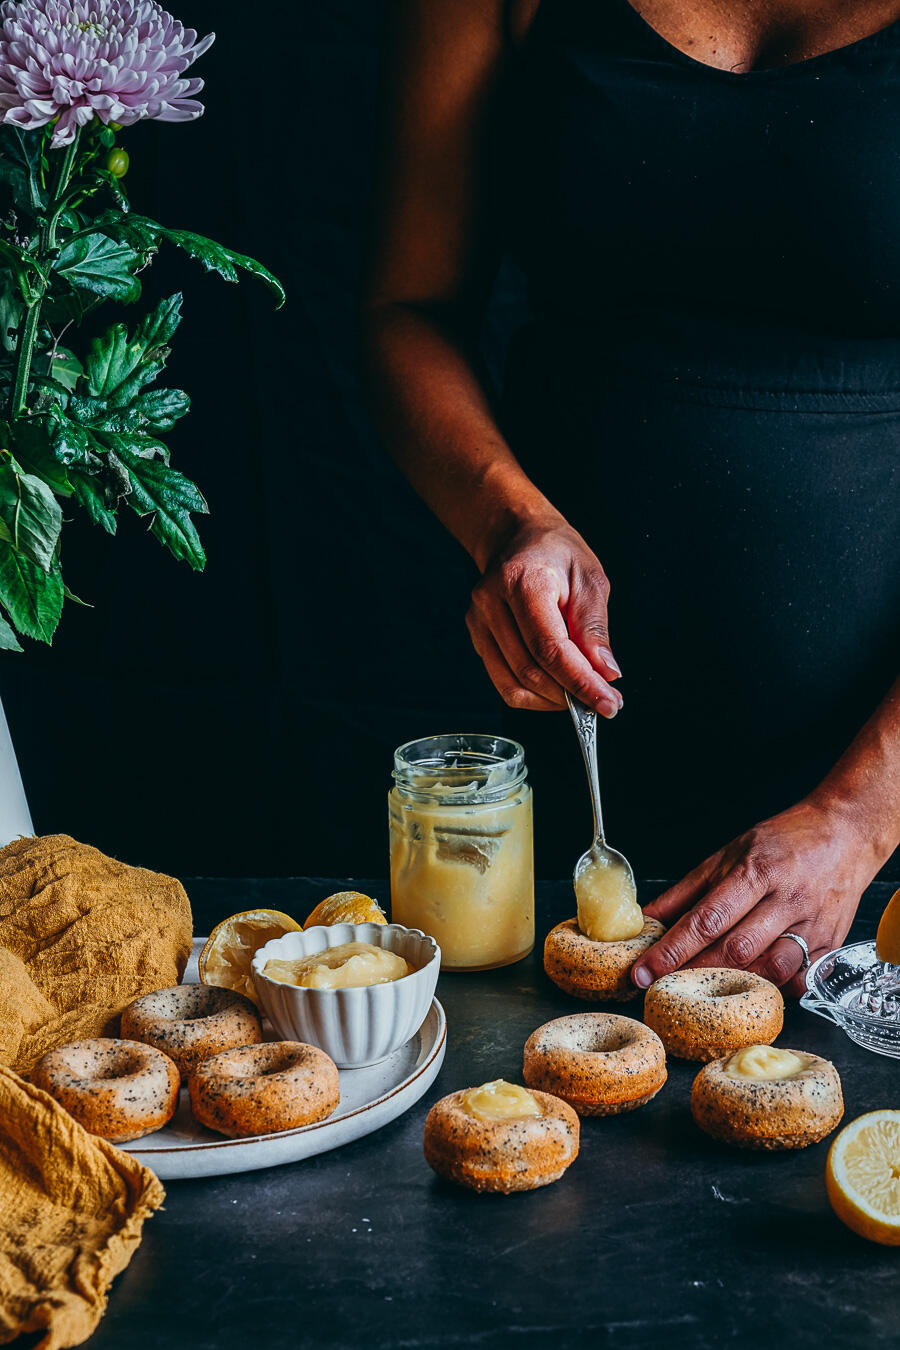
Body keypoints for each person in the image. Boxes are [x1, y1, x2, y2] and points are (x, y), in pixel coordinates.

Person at [361, 0, 900, 994]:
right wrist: (507, 518)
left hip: (879, 810)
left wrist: (866, 812)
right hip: (554, 736)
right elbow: (408, 308)